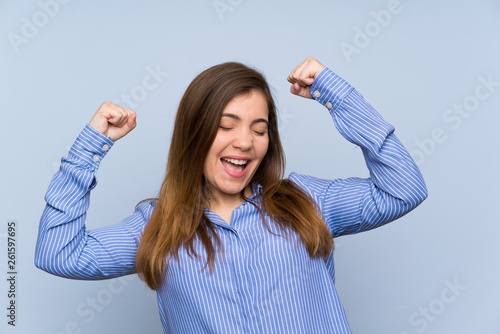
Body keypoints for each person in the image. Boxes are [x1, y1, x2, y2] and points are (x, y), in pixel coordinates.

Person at [35, 57, 428, 333]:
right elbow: (59, 254)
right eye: (227, 125)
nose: (245, 142)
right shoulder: (156, 227)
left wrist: (337, 95)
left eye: (259, 130)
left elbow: (404, 188)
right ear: (195, 134)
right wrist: (90, 147)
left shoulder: (306, 201)